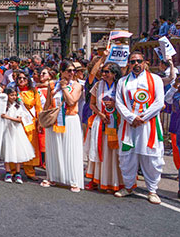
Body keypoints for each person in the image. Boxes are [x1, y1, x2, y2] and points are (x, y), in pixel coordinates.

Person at [114, 52, 165, 204]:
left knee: (151, 157)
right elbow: (119, 102)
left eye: (139, 61)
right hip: (129, 125)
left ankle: (152, 190)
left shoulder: (155, 79)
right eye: (133, 61)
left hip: (148, 126)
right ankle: (129, 187)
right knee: (127, 157)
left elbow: (159, 102)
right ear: (128, 64)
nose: (136, 64)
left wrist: (142, 118)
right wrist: (131, 117)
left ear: (144, 62)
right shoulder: (123, 81)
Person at [41, 60, 84, 193]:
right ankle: (53, 176)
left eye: (73, 71)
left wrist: (65, 88)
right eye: (69, 70)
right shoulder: (52, 84)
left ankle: (73, 180)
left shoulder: (77, 85)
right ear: (62, 71)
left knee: (70, 149)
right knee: (55, 147)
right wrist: (42, 119)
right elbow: (48, 103)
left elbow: (71, 101)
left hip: (70, 119)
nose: (72, 73)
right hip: (55, 119)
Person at [83, 63, 124, 193]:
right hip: (100, 122)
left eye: (107, 72)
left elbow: (125, 103)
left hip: (116, 123)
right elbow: (92, 104)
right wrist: (100, 114)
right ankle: (96, 180)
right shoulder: (98, 85)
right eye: (103, 71)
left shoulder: (121, 86)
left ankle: (113, 182)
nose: (104, 74)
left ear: (115, 73)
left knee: (112, 153)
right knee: (99, 149)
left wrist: (115, 104)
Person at [0, 86, 35, 184]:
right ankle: (8, 171)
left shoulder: (18, 106)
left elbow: (19, 120)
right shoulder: (4, 106)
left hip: (16, 131)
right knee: (7, 150)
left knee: (17, 150)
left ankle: (18, 172)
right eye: (12, 95)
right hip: (7, 130)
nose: (14, 97)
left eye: (15, 95)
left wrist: (7, 117)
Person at [14, 71, 42, 180]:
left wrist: (39, 122)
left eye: (24, 78)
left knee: (31, 146)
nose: (21, 80)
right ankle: (13, 170)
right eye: (19, 78)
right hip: (17, 122)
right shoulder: (13, 91)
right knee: (16, 145)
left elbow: (38, 108)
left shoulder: (33, 92)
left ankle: (30, 171)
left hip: (30, 123)